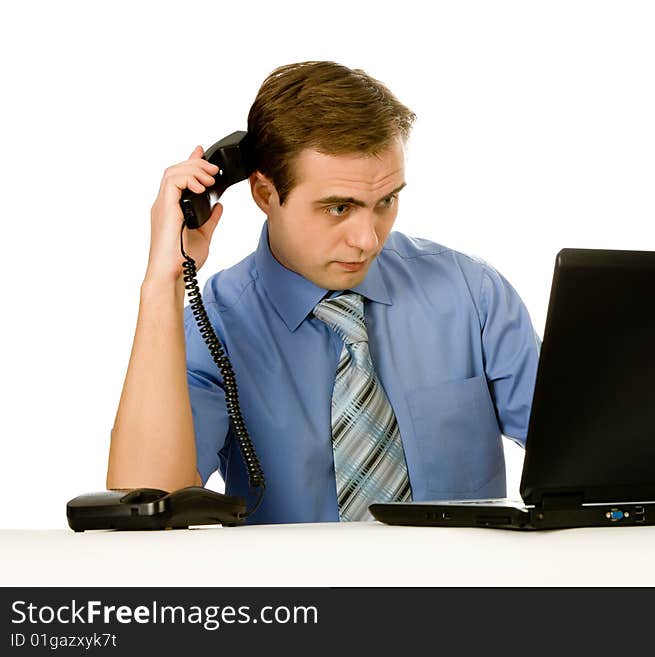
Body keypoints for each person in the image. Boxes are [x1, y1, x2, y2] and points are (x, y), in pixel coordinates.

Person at [106, 61, 541, 524]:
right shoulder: (214, 321)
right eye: (338, 207)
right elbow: (148, 506)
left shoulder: (471, 293)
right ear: (264, 194)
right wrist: (164, 284)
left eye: (386, 202)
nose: (368, 240)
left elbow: (585, 456)